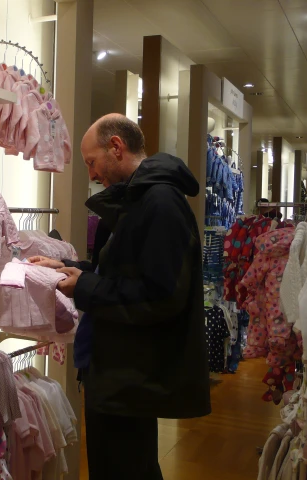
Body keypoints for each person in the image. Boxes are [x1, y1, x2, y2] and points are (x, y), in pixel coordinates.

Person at [29, 113, 211, 479]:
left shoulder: (160, 203)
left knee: (123, 468)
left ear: (116, 147)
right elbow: (125, 273)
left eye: (92, 163)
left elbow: (160, 295)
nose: (92, 175)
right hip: (119, 370)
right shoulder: (141, 200)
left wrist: (85, 286)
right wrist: (69, 266)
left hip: (130, 375)